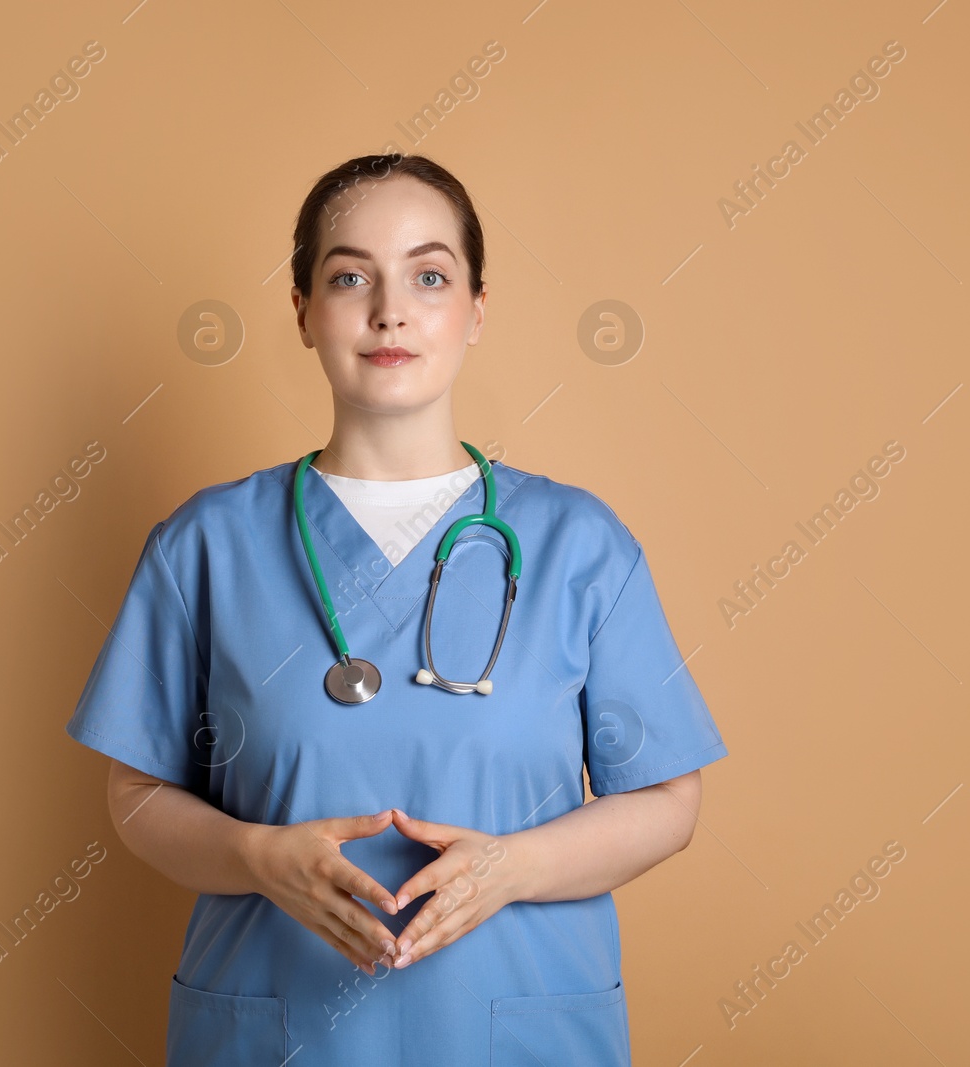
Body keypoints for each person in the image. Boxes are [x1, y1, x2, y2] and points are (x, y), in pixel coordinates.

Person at [64, 153, 729, 1065]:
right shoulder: (207, 545)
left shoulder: (580, 544)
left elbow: (667, 799)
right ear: (302, 312)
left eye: (428, 274)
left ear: (476, 310)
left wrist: (512, 869)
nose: (391, 309)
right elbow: (135, 794)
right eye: (348, 276)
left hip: (511, 1028)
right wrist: (259, 858)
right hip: (281, 1032)